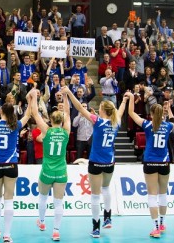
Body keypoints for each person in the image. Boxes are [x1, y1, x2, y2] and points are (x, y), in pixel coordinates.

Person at [63, 85, 127, 238]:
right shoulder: (116, 123)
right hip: (109, 162)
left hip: (96, 162)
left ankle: (96, 227)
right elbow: (121, 111)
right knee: (106, 189)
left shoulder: (97, 121)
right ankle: (108, 217)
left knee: (95, 195)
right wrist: (124, 100)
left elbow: (79, 107)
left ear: (103, 110)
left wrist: (69, 93)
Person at [0, 88, 32, 243]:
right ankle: (7, 235)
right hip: (11, 165)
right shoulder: (15, 125)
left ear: (1, 112)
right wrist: (30, 100)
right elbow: (28, 115)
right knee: (9, 199)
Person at [126, 92, 174, 238]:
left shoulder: (147, 125)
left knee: (152, 195)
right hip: (164, 162)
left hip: (150, 162)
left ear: (151, 113)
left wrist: (132, 98)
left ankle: (156, 228)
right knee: (163, 193)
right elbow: (173, 120)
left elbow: (131, 113)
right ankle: (163, 223)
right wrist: (169, 107)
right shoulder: (169, 126)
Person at [31, 89, 70, 241]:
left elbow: (35, 113)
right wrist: (65, 96)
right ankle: (56, 231)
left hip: (47, 170)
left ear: (51, 120)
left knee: (42, 198)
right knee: (58, 202)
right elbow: (66, 112)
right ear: (61, 120)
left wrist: (34, 97)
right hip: (61, 171)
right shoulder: (66, 131)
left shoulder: (46, 131)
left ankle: (41, 222)